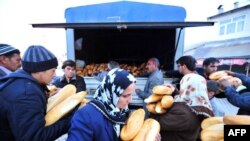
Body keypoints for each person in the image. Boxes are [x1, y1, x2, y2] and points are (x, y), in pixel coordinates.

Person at [0, 45, 73, 141]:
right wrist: (70, 120)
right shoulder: (27, 94)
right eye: (53, 70)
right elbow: (35, 137)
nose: (55, 74)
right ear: (39, 71)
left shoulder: (24, 82)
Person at [150, 55, 214, 141]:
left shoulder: (183, 112)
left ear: (185, 87)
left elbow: (156, 122)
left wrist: (153, 106)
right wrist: (174, 92)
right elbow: (187, 97)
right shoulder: (202, 109)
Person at [67, 68, 136, 141]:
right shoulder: (85, 116)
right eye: (125, 96)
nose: (130, 100)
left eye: (131, 94)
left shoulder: (122, 112)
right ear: (111, 93)